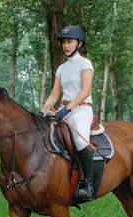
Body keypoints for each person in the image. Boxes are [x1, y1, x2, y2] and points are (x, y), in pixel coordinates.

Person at [38, 25, 95, 201]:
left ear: (79, 43)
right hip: (63, 109)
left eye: (69, 41)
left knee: (79, 141)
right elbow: (54, 95)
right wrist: (41, 112)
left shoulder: (85, 63)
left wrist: (67, 109)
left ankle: (88, 183)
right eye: (64, 42)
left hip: (81, 109)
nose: (66, 45)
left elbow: (85, 91)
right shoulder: (61, 68)